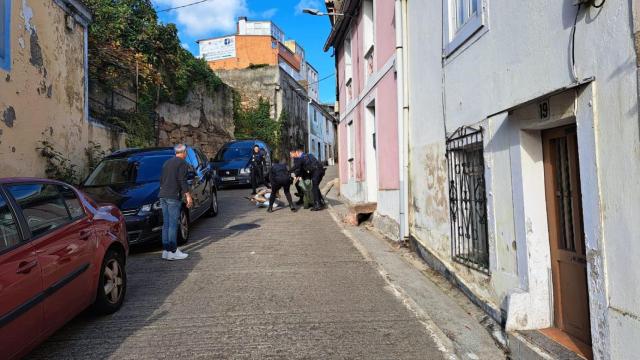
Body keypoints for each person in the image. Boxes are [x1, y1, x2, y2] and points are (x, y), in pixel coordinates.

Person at [158, 144, 193, 261]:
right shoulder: (182, 163)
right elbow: (182, 180)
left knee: (166, 224)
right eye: (186, 152)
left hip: (162, 195)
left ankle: (166, 251)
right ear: (184, 152)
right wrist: (188, 196)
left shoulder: (166, 163)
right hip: (173, 196)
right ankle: (173, 251)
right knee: (173, 224)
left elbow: (162, 180)